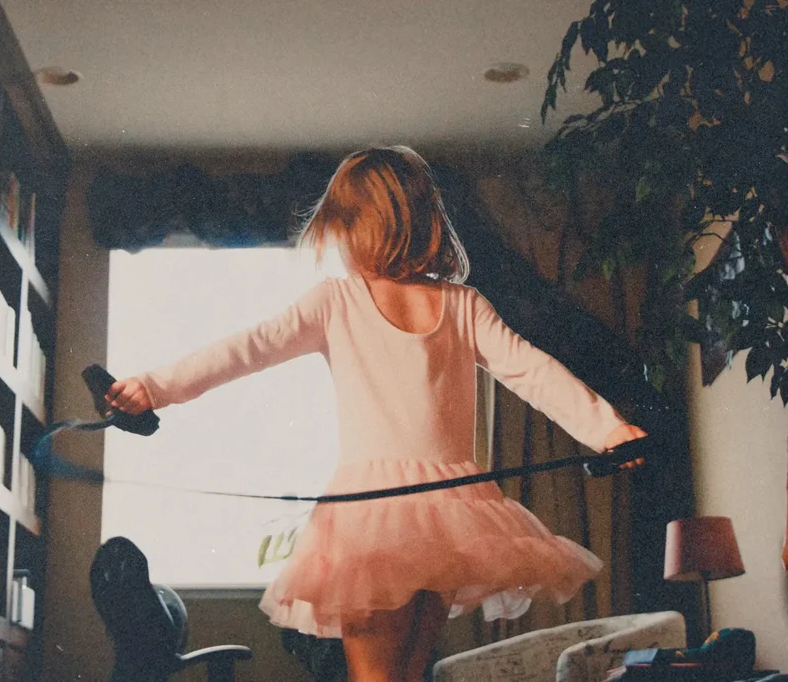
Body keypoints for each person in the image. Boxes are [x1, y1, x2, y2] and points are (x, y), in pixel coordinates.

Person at [106, 146, 647, 682]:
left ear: (361, 226)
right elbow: (535, 372)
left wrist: (152, 387)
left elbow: (246, 349)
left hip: (374, 523)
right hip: (451, 519)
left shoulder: (344, 301)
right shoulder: (459, 304)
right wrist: (609, 429)